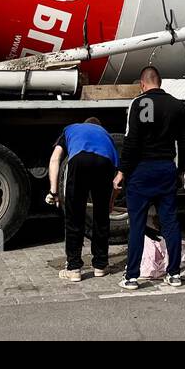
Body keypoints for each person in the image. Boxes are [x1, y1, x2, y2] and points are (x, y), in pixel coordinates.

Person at [116, 65, 185, 289]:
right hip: (166, 169)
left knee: (137, 224)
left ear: (142, 84)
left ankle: (131, 277)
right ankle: (174, 274)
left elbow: (131, 142)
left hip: (140, 171)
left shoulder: (137, 103)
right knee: (170, 223)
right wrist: (181, 171)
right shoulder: (176, 105)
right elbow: (184, 142)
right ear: (160, 82)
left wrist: (122, 171)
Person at [47, 117, 119, 282]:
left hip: (79, 161)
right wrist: (111, 202)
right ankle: (100, 266)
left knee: (74, 217)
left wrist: (53, 191)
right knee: (101, 218)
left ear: (85, 124)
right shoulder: (106, 135)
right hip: (104, 163)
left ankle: (73, 268)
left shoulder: (70, 129)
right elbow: (118, 181)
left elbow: (55, 158)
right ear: (98, 126)